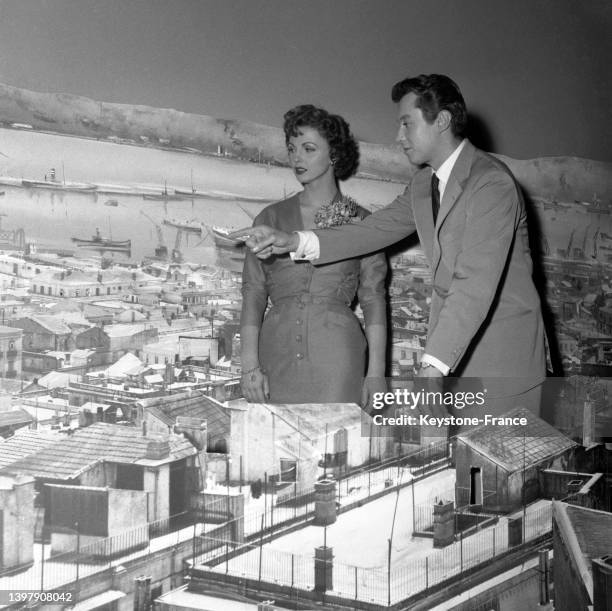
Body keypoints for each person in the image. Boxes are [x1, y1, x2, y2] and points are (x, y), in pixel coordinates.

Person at [233, 75, 547, 413]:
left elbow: (474, 283)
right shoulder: (424, 185)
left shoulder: (490, 183)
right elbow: (370, 231)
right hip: (453, 363)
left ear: (441, 121)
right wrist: (293, 239)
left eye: (406, 123)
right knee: (464, 466)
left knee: (501, 464)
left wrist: (431, 366)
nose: (398, 136)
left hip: (499, 363)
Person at [239, 104, 388, 406]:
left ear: (334, 153)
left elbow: (373, 299)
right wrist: (249, 366)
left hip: (338, 358)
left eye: (308, 149)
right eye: (292, 149)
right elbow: (253, 293)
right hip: (275, 355)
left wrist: (376, 374)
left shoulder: (362, 223)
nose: (297, 158)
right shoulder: (270, 218)